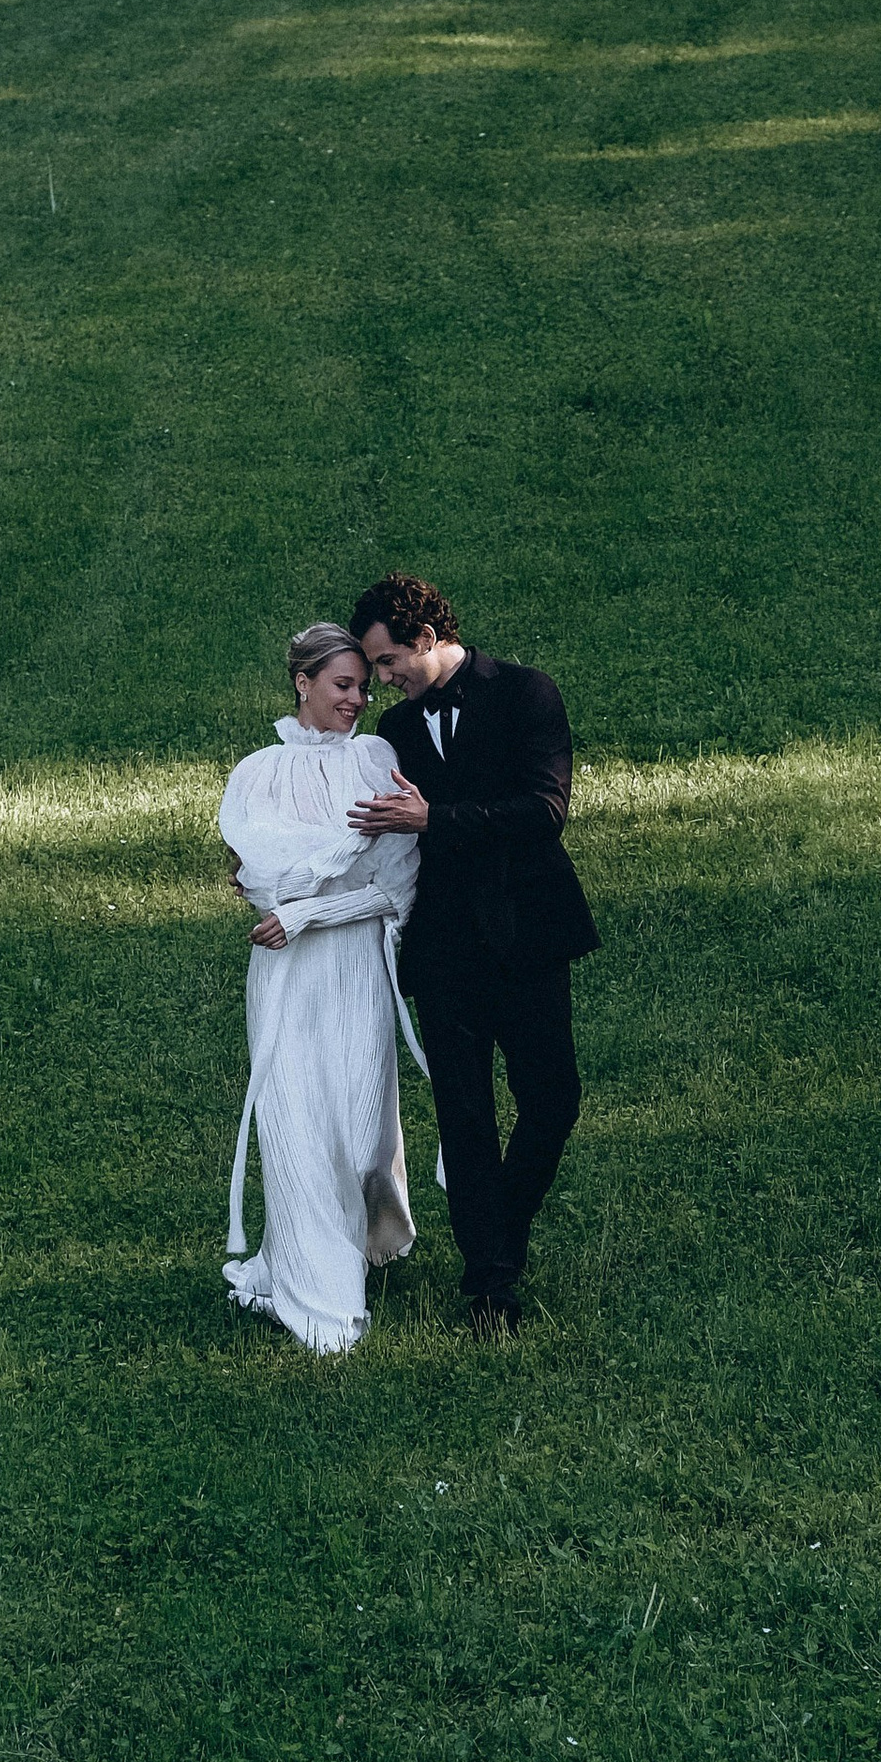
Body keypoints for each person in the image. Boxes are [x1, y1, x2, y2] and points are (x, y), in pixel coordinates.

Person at [345, 575, 597, 1335]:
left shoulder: (527, 693)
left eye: (387, 661)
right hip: (446, 945)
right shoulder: (398, 730)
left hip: (529, 934)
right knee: (464, 1118)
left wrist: (437, 817)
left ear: (424, 636)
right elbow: (351, 811)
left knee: (552, 1100)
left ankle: (502, 1237)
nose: (380, 680)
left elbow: (544, 811)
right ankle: (490, 1286)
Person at [217, 623, 432, 1356]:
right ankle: (321, 1300)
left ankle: (365, 1237)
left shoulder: (377, 760)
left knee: (360, 1125)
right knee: (298, 1123)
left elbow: (395, 886)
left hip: (356, 964)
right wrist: (333, 865)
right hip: (288, 975)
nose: (358, 700)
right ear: (303, 684)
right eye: (344, 685)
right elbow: (262, 879)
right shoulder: (256, 775)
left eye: (364, 687)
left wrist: (310, 906)